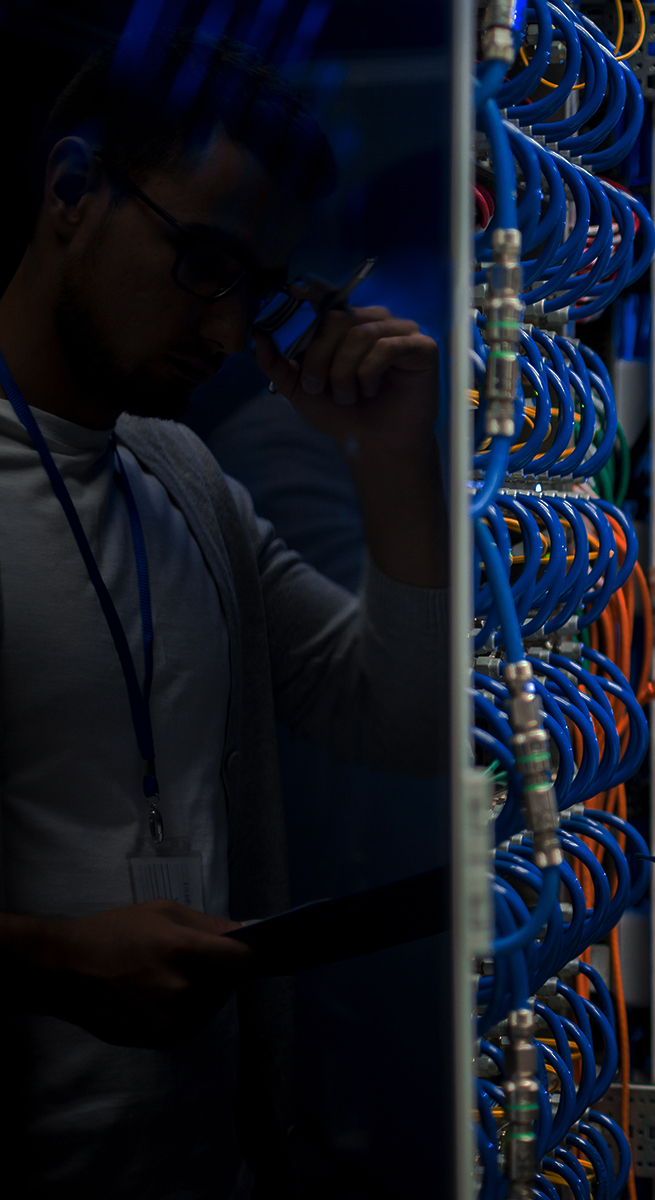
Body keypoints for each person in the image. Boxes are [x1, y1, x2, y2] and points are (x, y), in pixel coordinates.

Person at [0, 32, 446, 1196]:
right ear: (71, 193)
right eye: (202, 262)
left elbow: (402, 724)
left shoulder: (188, 483)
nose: (221, 329)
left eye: (254, 289)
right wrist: (47, 960)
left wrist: (393, 459)